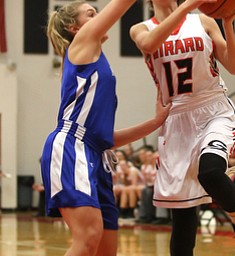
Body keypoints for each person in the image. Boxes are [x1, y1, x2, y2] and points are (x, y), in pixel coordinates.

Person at [130, 0, 235, 255]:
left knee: (210, 170)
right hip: (176, 121)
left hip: (213, 109)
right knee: (182, 222)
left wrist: (227, 23)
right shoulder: (141, 29)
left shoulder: (202, 21)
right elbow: (149, 45)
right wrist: (187, 6)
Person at [41, 1, 171, 256]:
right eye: (91, 14)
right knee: (88, 237)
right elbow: (121, 5)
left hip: (95, 153)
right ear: (74, 27)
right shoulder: (81, 44)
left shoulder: (98, 60)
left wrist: (155, 122)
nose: (99, 16)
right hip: (71, 147)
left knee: (105, 249)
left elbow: (103, 139)